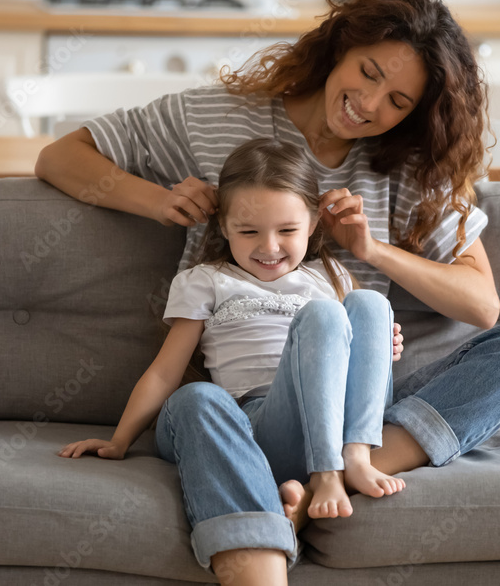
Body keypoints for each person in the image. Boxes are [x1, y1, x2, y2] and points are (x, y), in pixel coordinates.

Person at [36, 0, 500, 586]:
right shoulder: (214, 118)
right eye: (368, 72)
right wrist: (159, 202)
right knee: (197, 402)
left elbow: (482, 304)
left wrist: (371, 251)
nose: (368, 104)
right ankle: (285, 527)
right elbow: (61, 157)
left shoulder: (410, 165)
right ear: (339, 47)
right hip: (252, 406)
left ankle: (325, 483)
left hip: (358, 414)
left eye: (397, 100)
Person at [58, 136, 408, 521]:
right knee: (324, 315)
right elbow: (165, 371)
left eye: (287, 230)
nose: (269, 247)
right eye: (249, 232)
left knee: (371, 303)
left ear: (312, 224)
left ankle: (355, 458)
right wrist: (119, 441)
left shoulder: (329, 276)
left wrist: (381, 344)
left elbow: (361, 348)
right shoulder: (208, 280)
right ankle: (324, 475)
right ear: (224, 226)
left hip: (338, 420)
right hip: (256, 422)